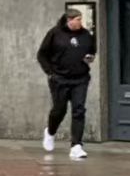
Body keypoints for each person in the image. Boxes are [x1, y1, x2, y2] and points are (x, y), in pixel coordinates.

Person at [38, 9, 96, 160]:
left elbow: (92, 51)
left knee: (79, 110)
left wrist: (90, 58)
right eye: (77, 19)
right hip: (59, 78)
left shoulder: (86, 35)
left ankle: (76, 146)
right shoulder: (55, 33)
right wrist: (50, 72)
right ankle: (50, 132)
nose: (80, 22)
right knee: (59, 110)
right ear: (69, 20)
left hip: (80, 79)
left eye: (81, 19)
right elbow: (42, 54)